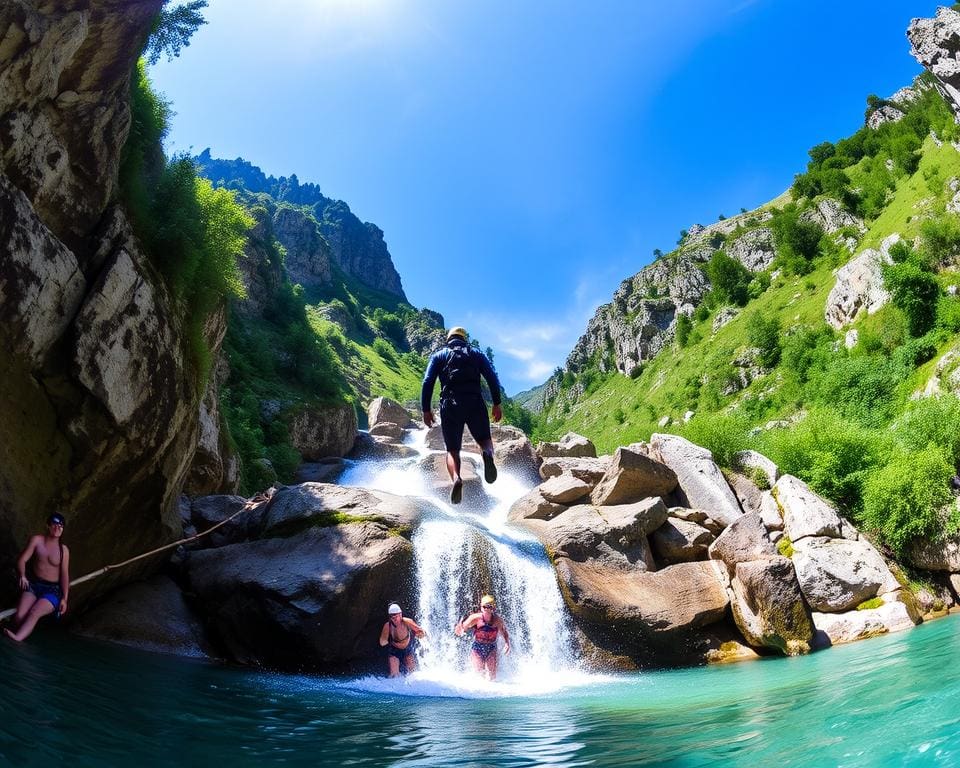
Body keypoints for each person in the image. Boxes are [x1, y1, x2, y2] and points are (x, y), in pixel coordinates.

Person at [420, 326, 503, 504]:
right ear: (465, 339)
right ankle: (487, 454)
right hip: (475, 402)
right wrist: (496, 403)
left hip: (450, 404)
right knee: (484, 440)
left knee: (452, 450)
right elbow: (492, 377)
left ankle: (456, 478)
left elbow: (428, 381)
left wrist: (426, 409)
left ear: (448, 339)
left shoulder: (439, 355)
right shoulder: (476, 354)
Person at [5, 513, 70, 642]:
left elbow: (64, 576)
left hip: (53, 591)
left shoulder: (64, 550)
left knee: (34, 612)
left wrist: (64, 599)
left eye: (61, 526)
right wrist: (23, 576)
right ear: (48, 526)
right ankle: (11, 634)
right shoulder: (37, 540)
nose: (58, 528)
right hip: (34, 585)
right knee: (19, 615)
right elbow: (22, 560)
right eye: (55, 524)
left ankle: (17, 638)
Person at [455, 594, 510, 680]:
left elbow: (504, 632)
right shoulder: (475, 618)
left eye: (490, 607)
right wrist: (460, 628)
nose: (487, 609)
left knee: (492, 677)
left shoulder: (498, 621)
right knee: (479, 676)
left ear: (493, 608)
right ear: (481, 608)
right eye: (485, 607)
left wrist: (507, 643)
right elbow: (463, 627)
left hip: (491, 648)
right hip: (477, 648)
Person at [378, 602, 426, 677]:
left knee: (413, 674)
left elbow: (420, 631)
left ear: (400, 614)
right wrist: (385, 640)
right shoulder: (388, 625)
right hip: (394, 649)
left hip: (407, 648)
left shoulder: (407, 621)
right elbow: (382, 642)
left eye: (395, 616)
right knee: (394, 676)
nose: (393, 619)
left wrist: (419, 634)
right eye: (391, 617)